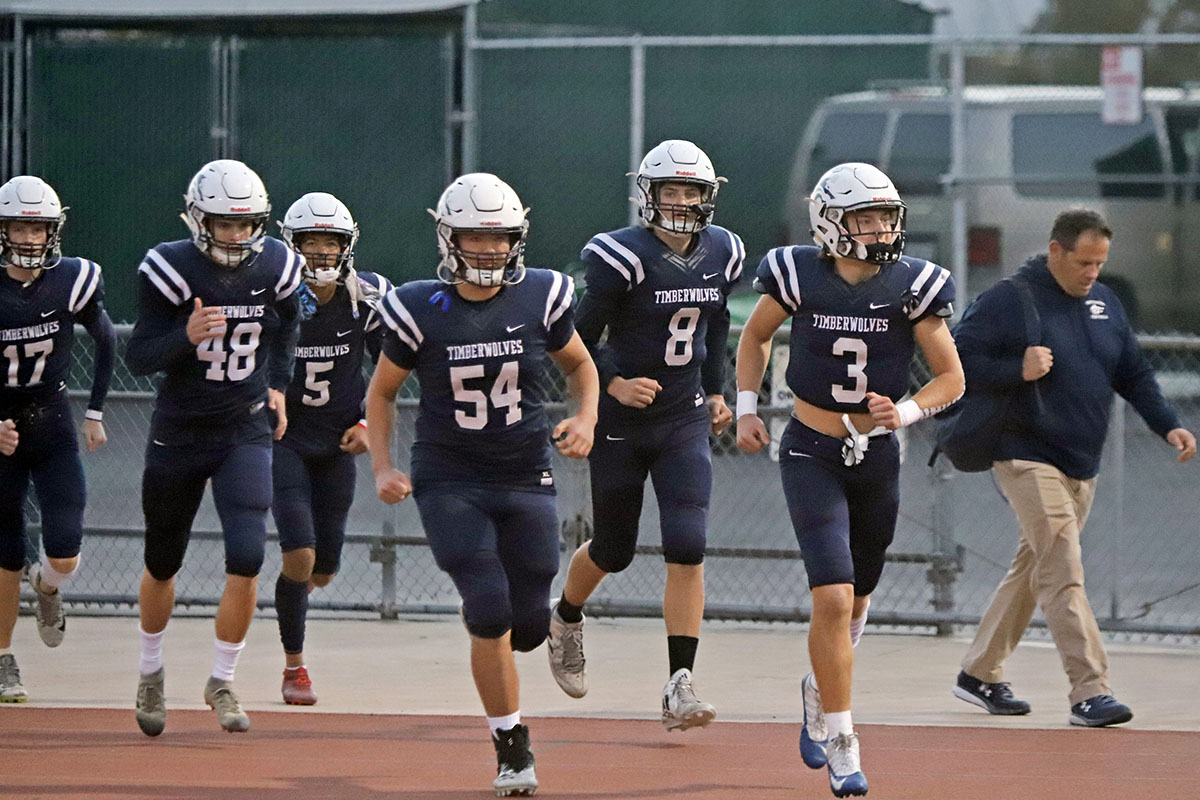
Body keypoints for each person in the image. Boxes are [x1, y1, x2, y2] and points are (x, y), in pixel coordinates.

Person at [736, 163, 964, 798]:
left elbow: (952, 378)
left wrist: (910, 410)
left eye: (887, 216)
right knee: (833, 597)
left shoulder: (912, 284)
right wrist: (748, 407)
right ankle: (843, 739)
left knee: (858, 600)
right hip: (810, 447)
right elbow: (754, 336)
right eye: (865, 218)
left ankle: (818, 687)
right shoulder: (798, 273)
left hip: (877, 453)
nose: (882, 229)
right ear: (830, 223)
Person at [367, 172, 597, 798]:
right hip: (450, 479)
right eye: (477, 235)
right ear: (449, 238)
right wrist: (384, 466)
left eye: (501, 237)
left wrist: (585, 416)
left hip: (525, 473)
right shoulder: (420, 306)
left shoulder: (540, 295)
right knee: (488, 609)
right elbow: (382, 392)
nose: (490, 249)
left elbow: (580, 364)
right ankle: (511, 744)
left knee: (525, 625)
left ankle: (549, 630)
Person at [951, 208, 1196, 727]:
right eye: (1084, 262)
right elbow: (952, 359)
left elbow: (1133, 371)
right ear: (1056, 251)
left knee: (1034, 567)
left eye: (1100, 263)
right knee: (1063, 567)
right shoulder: (1009, 300)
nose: (1092, 273)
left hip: (1081, 461)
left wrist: (1167, 424)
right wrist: (1013, 368)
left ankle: (979, 672)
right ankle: (1090, 691)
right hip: (1023, 453)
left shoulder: (1105, 303)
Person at [544, 139, 744, 732]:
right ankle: (566, 617)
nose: (681, 202)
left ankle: (680, 682)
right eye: (670, 191)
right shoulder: (620, 256)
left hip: (682, 416)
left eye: (691, 192)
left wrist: (715, 389)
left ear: (708, 198)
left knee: (688, 542)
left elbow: (713, 323)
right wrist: (614, 383)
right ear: (648, 195)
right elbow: (574, 340)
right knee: (615, 548)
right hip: (622, 423)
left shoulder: (722, 252)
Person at [125, 159, 302, 735]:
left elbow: (289, 323)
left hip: (244, 428)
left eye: (246, 224)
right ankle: (151, 671)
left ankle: (221, 679)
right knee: (162, 559)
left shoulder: (277, 263)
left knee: (248, 556)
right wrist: (186, 337)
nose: (235, 235)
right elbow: (140, 356)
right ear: (198, 220)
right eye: (223, 224)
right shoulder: (170, 268)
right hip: (179, 430)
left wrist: (277, 383)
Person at [271, 192, 391, 705]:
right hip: (284, 438)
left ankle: (287, 598)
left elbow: (392, 373)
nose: (321, 253)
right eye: (310, 243)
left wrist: (368, 423)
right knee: (299, 553)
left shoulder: (366, 296)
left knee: (322, 568)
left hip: (340, 441)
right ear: (291, 245)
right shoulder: (273, 295)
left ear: (348, 246)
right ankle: (294, 667)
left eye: (330, 243)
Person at [0, 176, 114, 702]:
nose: (29, 237)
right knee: (4, 553)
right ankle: (3, 659)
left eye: (39, 227)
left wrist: (93, 410)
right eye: (20, 225)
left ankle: (46, 587)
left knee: (65, 550)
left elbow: (106, 336)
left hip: (49, 417)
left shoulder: (71, 279)